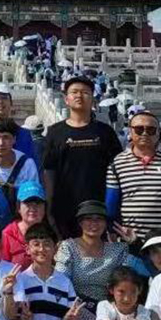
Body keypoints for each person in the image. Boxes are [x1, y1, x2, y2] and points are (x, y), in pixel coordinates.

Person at [105, 111, 161, 261]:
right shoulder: (117, 163)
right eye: (139, 129)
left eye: (151, 130)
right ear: (130, 132)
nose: (145, 133)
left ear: (158, 133)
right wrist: (111, 231)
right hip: (130, 243)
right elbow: (111, 205)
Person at [42, 75, 122, 240]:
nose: (79, 96)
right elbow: (49, 170)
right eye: (74, 92)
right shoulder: (55, 132)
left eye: (85, 92)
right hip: (65, 207)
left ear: (93, 99)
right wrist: (49, 207)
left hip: (98, 207)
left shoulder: (105, 132)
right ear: (66, 99)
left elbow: (118, 169)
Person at [0, 180, 47, 268]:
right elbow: (0, 268)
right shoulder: (7, 235)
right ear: (18, 207)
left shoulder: (50, 233)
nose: (33, 207)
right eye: (28, 203)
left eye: (38, 203)